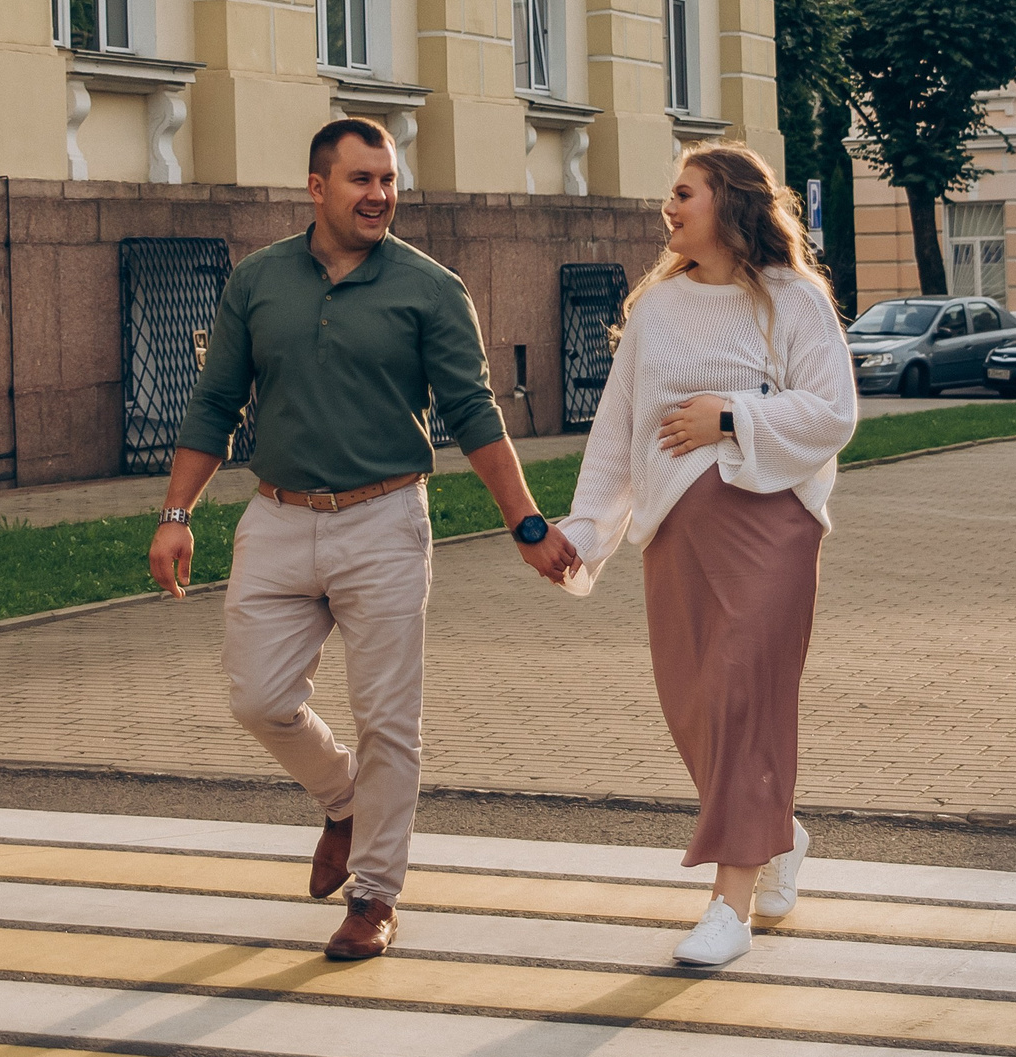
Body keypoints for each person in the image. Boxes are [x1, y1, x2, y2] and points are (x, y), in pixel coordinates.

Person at [151, 117, 577, 961]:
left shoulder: (430, 287)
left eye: (388, 180)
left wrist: (524, 521)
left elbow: (473, 413)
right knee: (258, 699)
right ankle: (343, 801)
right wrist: (176, 514)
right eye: (361, 180)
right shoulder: (258, 280)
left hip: (384, 520)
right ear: (317, 188)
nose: (380, 195)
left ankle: (375, 895)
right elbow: (214, 404)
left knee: (389, 719)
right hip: (275, 517)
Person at [554, 141, 856, 968]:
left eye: (684, 192)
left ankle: (730, 905)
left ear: (730, 201)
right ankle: (778, 833)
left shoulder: (792, 299)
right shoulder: (655, 308)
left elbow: (833, 413)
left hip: (769, 530)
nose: (670, 208)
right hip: (678, 536)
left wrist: (731, 417)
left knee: (738, 696)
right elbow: (616, 431)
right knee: (695, 708)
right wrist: (583, 533)